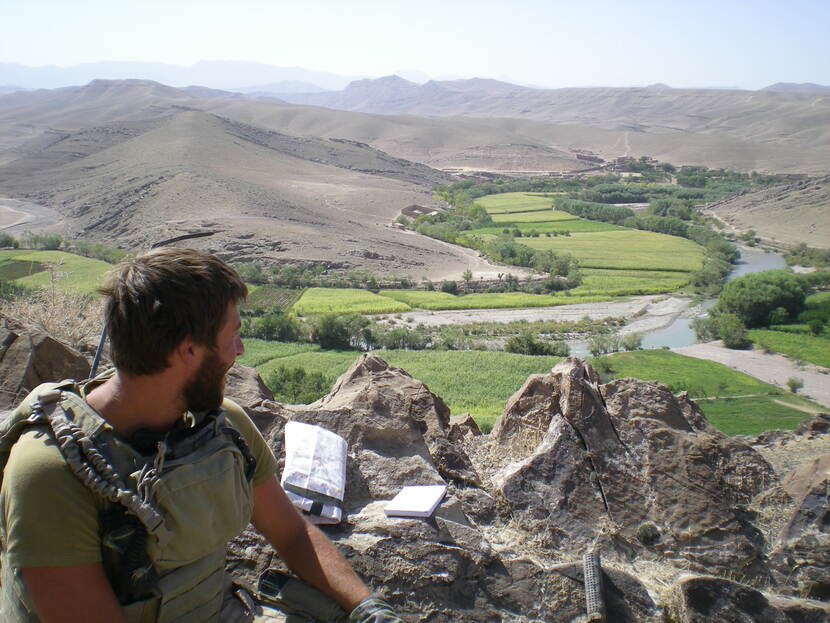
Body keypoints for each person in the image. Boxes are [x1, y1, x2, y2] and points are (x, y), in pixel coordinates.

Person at [0, 248, 401, 623]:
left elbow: (293, 534)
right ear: (188, 350)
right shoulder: (52, 473)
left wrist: (367, 609)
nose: (240, 350)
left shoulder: (222, 424)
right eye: (232, 335)